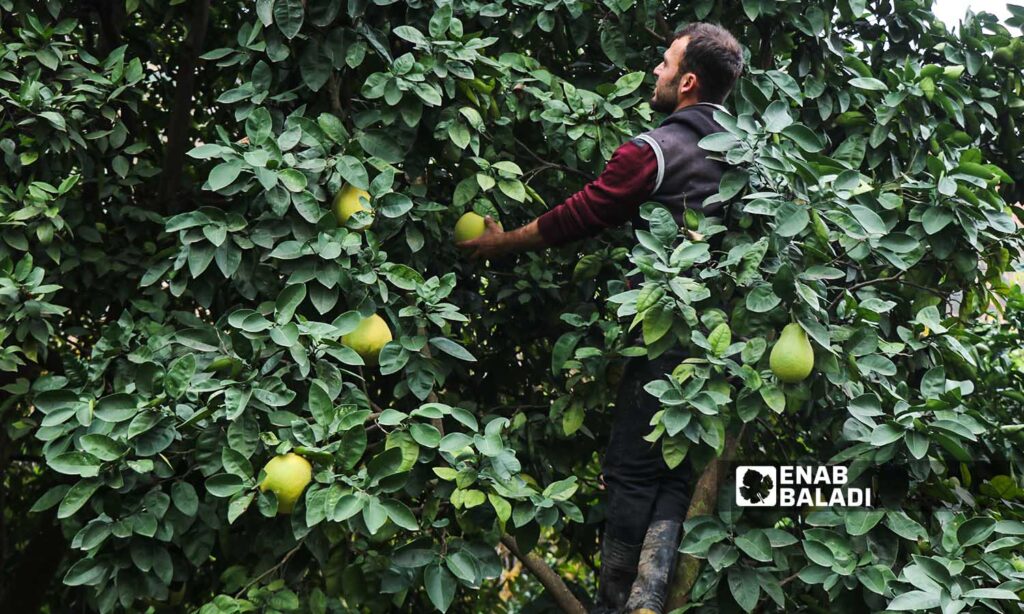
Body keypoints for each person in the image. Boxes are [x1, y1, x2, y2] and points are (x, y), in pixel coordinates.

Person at [457, 23, 744, 614]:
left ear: (688, 82)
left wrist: (502, 241)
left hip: (665, 329)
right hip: (722, 345)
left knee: (631, 466)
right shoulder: (751, 157)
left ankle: (619, 601)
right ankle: (650, 594)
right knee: (672, 464)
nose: (656, 73)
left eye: (665, 65)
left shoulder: (654, 151)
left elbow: (580, 215)